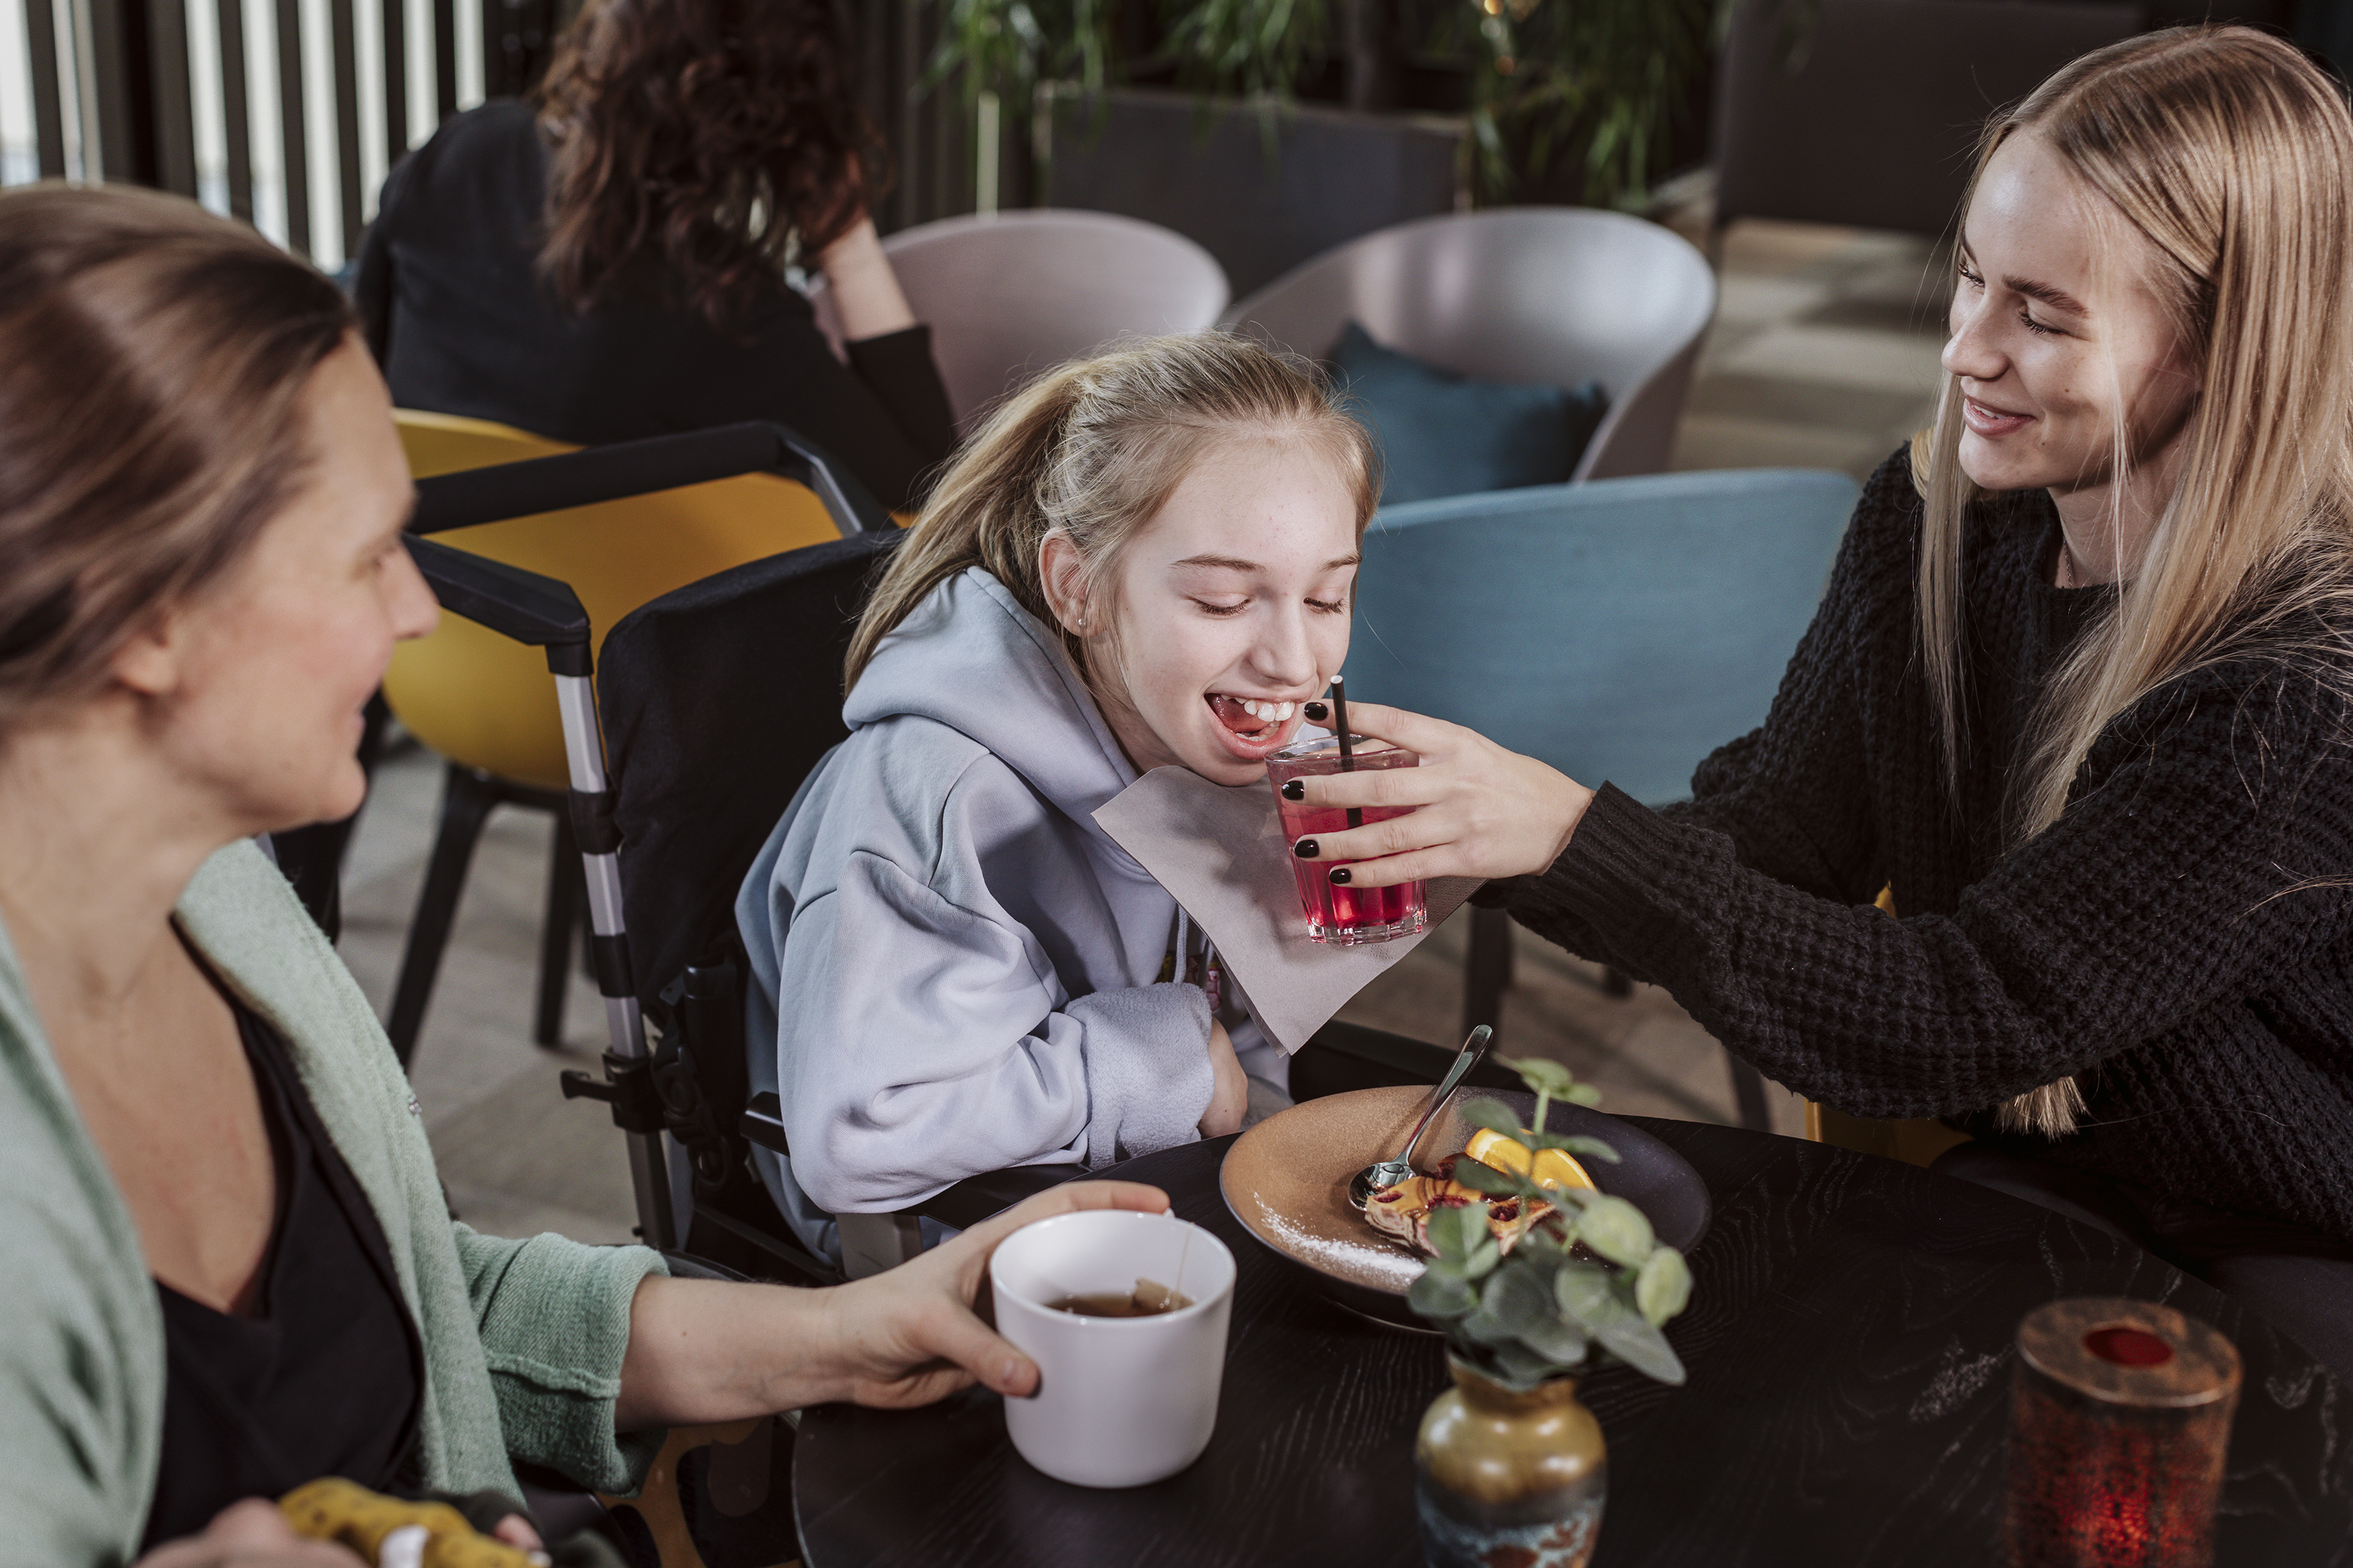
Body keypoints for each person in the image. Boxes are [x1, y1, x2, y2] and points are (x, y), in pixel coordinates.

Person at [0, 183, 1164, 1567]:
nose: (418, 610)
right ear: (147, 619)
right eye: (369, 551)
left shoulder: (222, 898)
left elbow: (429, 1313)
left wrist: (844, 1326)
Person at [1278, 26, 2353, 1376]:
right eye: (1968, 277)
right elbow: (1775, 833)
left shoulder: (2293, 698)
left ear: (2219, 348)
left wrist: (1561, 832)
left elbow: (1958, 1010)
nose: (1964, 350)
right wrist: (1466, 825)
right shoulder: (1934, 522)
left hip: (2295, 1242)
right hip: (2066, 1173)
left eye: (2039, 312)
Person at [736, 333, 1378, 1264]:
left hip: (1165, 1181)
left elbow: (1241, 1064)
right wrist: (1163, 1062)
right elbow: (857, 1136)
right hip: (940, 1244)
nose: (1295, 662)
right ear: (1078, 589)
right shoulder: (933, 798)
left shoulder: (1232, 745)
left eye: (1327, 601)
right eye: (1222, 601)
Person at [352, 0, 954, 515]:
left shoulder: (462, 152)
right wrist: (846, 241)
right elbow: (924, 498)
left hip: (426, 620)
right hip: (611, 646)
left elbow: (361, 361)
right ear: (789, 104)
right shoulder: (726, 313)